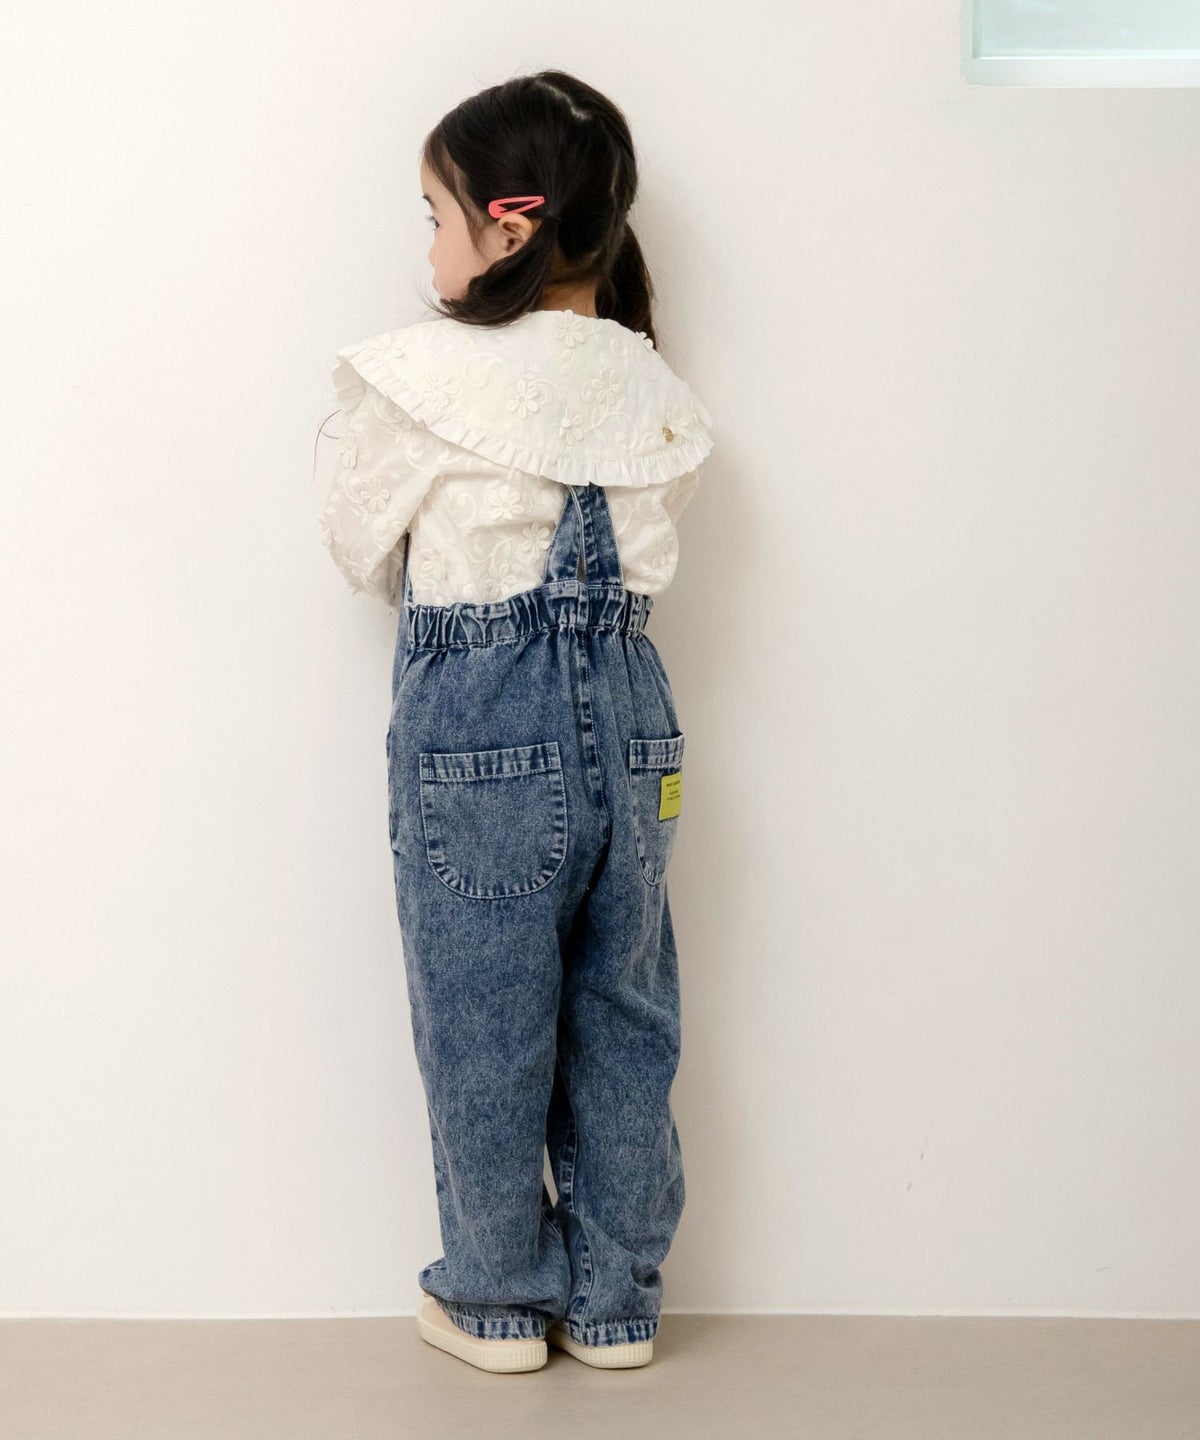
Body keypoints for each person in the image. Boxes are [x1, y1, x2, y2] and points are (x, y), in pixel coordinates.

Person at [315, 69, 715, 1375]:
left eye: (436, 215)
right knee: (625, 1006)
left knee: (487, 1015)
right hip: (637, 725)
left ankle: (494, 1298)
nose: (428, 245)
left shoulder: (424, 377)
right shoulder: (652, 387)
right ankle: (616, 1301)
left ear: (509, 224)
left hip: (483, 727)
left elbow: (358, 542)